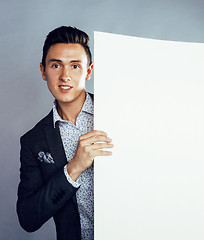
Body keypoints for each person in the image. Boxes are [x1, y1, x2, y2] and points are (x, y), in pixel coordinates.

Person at [17, 26, 113, 240]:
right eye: (56, 65)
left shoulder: (118, 113)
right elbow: (28, 218)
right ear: (43, 70)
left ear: (89, 71)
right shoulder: (33, 141)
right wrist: (74, 168)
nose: (65, 76)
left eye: (75, 66)